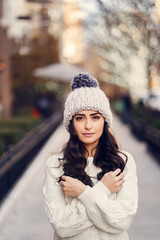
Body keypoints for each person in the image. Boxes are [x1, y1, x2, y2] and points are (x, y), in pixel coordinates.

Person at [43, 73, 138, 240]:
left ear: (104, 121)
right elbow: (61, 226)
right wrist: (103, 189)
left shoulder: (123, 162)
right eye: (80, 118)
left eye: (95, 117)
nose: (88, 126)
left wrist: (82, 192)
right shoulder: (56, 165)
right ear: (71, 123)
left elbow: (121, 221)